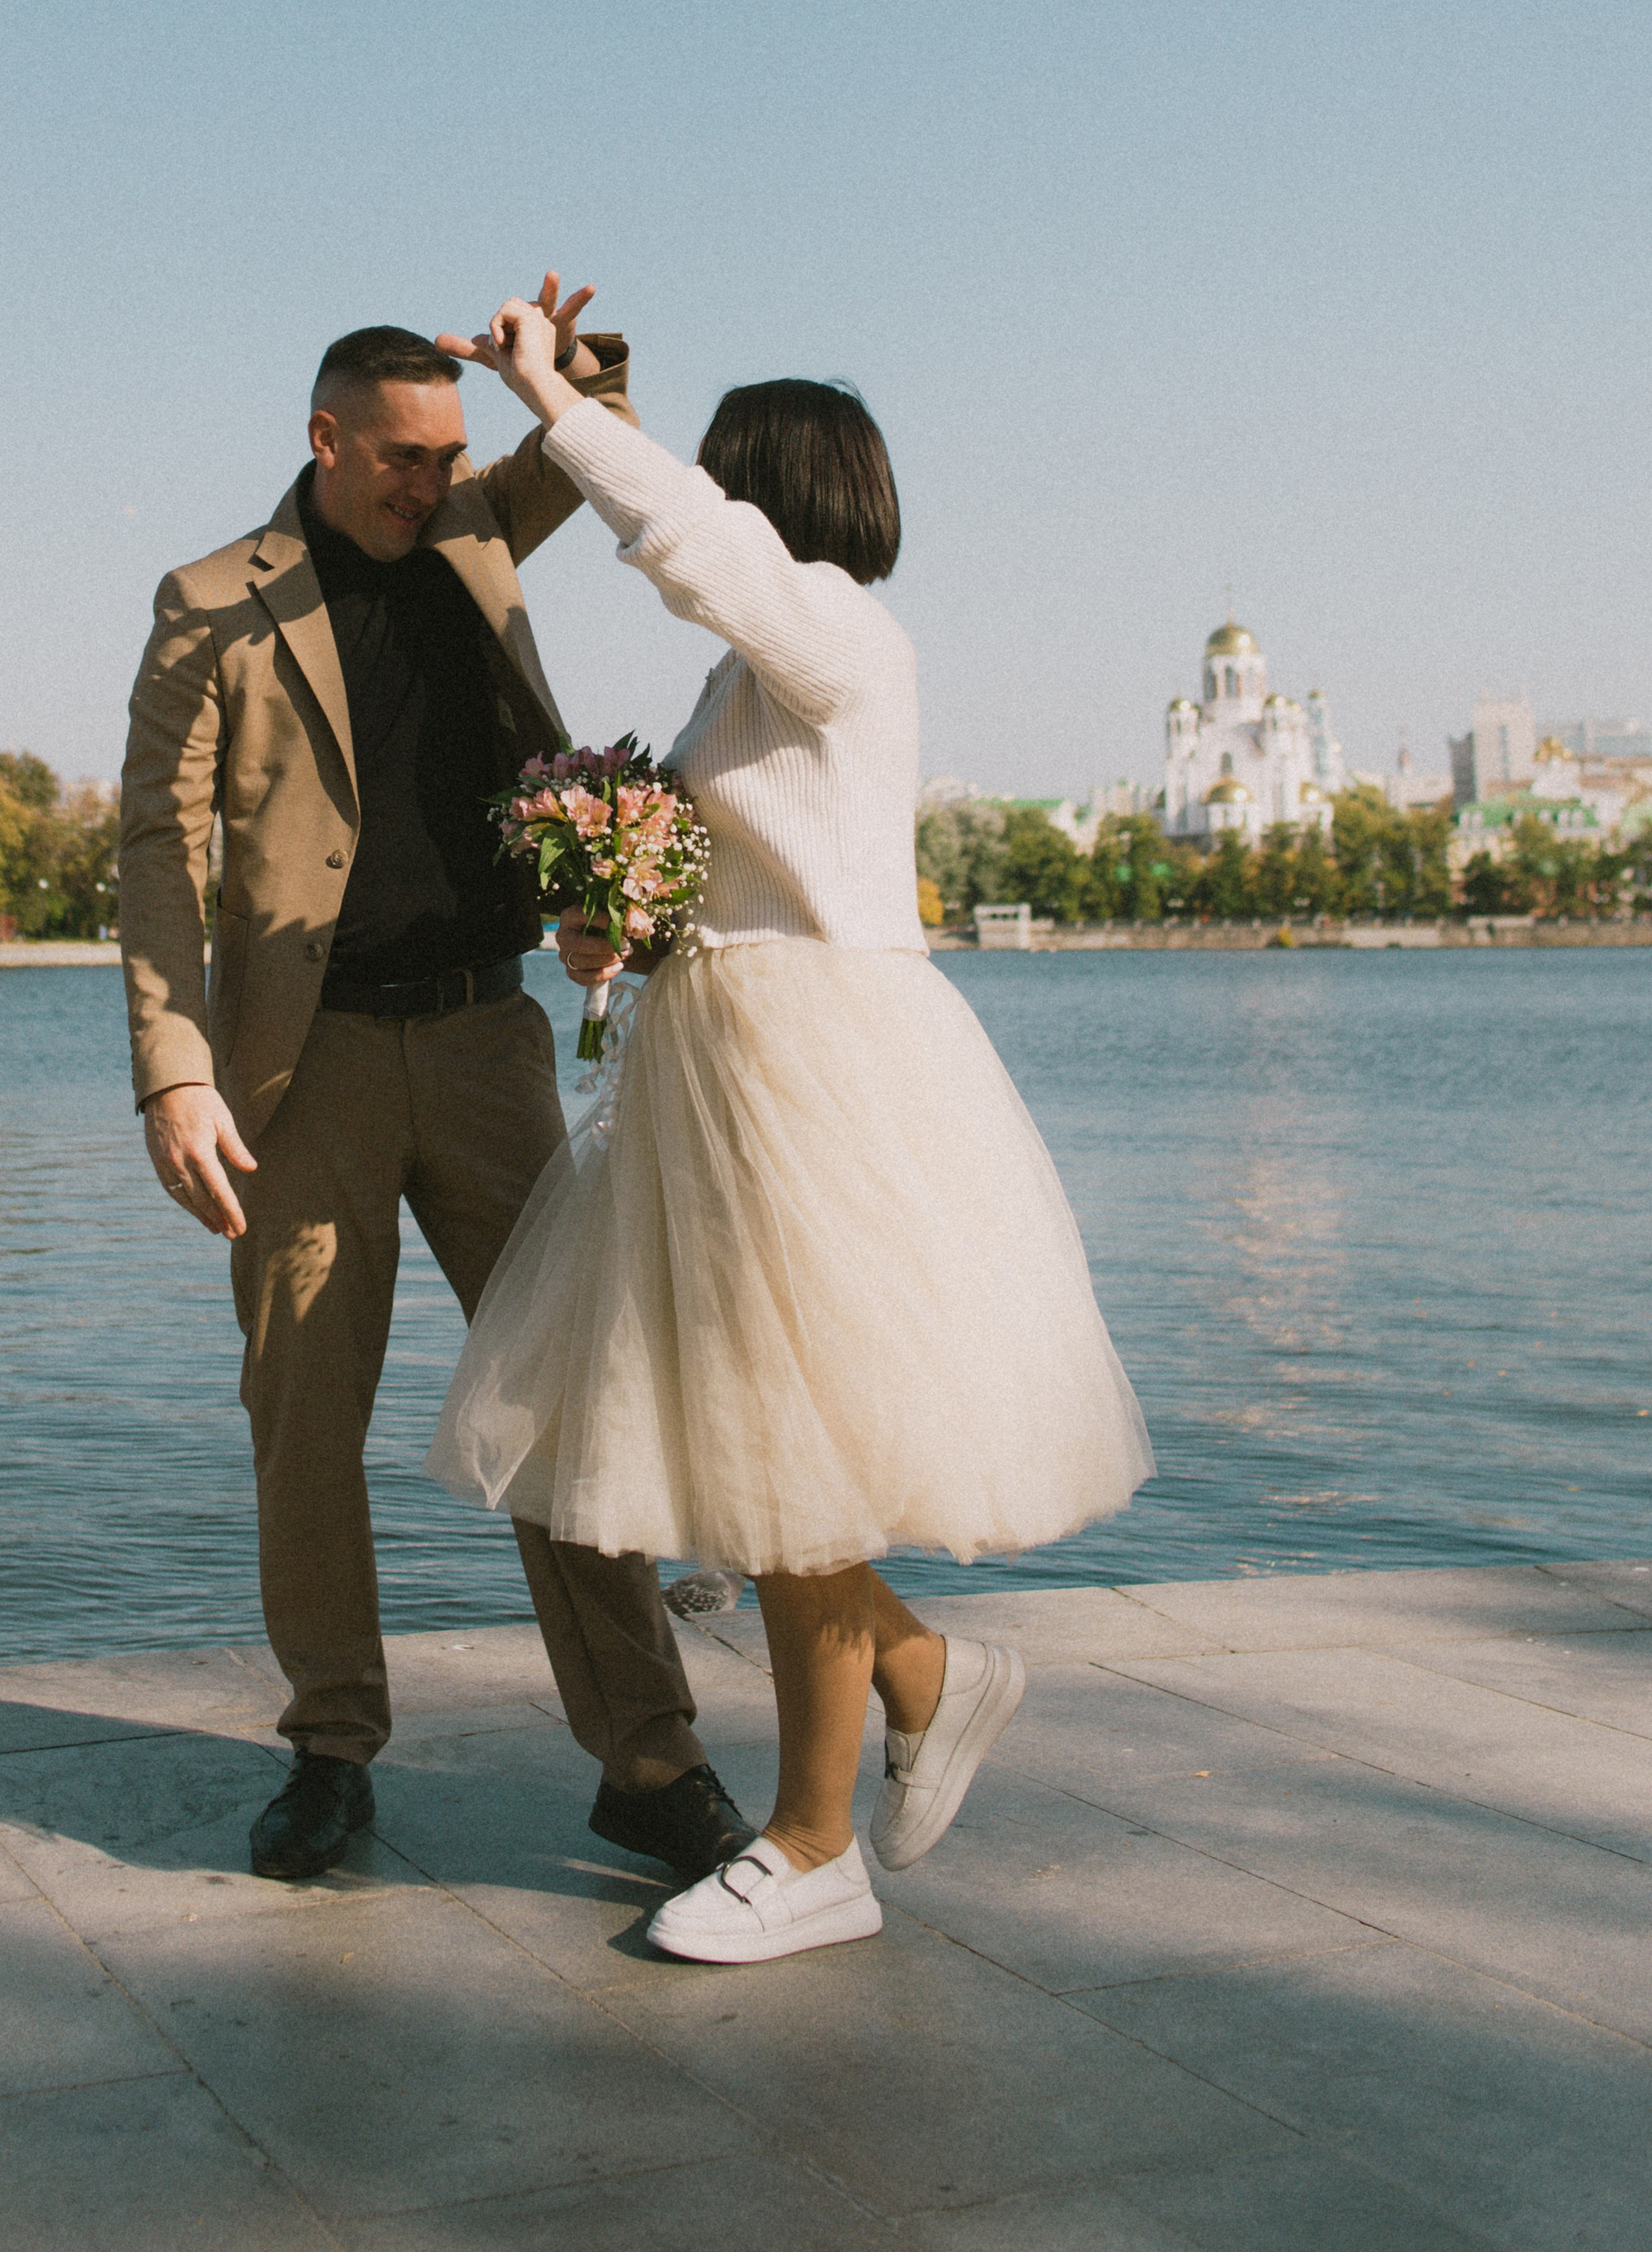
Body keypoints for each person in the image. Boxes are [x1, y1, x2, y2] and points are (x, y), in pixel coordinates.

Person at [431, 303, 1154, 1963]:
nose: (704, 493)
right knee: (753, 1447)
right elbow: (725, 867)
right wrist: (620, 913)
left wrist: (550, 398)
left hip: (807, 1071)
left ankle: (815, 1844)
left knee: (791, 1459)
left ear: (767, 493)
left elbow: (681, 538)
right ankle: (920, 1672)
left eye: (724, 473)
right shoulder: (748, 673)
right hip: (711, 1064)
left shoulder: (833, 634)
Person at [117, 283, 749, 1886]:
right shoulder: (210, 599)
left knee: (568, 1391)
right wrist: (172, 1069)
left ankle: (648, 1755)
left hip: (486, 1040)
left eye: (446, 451)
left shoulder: (476, 526)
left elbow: (579, 440)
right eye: (399, 455)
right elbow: (155, 846)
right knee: (303, 1412)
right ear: (325, 442)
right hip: (301, 1063)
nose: (429, 480)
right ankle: (331, 1745)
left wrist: (571, 365)